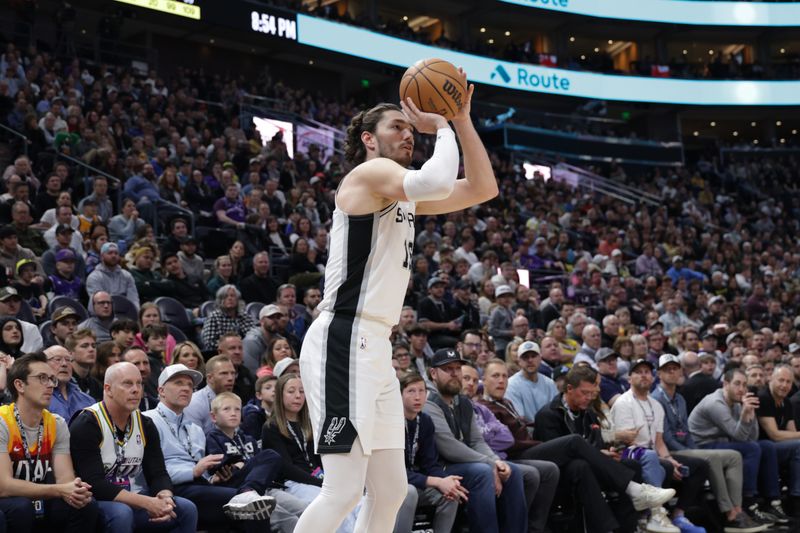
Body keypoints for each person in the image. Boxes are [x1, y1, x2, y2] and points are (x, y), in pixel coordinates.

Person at [295, 75, 498, 533]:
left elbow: (484, 187)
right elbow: (437, 177)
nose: (408, 133)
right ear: (369, 139)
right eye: (397, 127)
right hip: (343, 339)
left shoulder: (402, 193)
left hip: (377, 348)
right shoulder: (369, 176)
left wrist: (462, 120)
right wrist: (441, 127)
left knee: (390, 492)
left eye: (412, 129)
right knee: (343, 489)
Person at [534, 364, 678, 533]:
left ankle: (627, 528)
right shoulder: (548, 415)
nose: (589, 398)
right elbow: (555, 456)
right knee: (580, 465)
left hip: (588, 467)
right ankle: (610, 524)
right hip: (560, 474)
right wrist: (597, 456)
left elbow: (596, 444)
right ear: (570, 389)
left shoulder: (588, 412)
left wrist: (606, 455)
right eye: (584, 393)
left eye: (591, 393)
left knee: (632, 465)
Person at [68, 362, 198, 532]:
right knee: (122, 513)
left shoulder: (146, 424)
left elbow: (158, 472)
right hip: (98, 502)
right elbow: (94, 484)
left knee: (185, 508)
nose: (136, 389)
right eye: (127, 383)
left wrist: (165, 497)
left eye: (139, 383)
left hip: (136, 498)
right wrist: (148, 503)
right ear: (108, 389)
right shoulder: (87, 423)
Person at [143, 364, 276, 530]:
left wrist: (213, 477)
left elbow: (202, 471)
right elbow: (152, 471)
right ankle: (245, 495)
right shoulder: (148, 421)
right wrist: (193, 472)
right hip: (173, 488)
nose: (186, 388)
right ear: (161, 391)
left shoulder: (195, 429)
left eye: (190, 385)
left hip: (203, 485)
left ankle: (248, 491)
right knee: (255, 508)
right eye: (178, 383)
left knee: (269, 456)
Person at [653, 354, 764, 532]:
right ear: (659, 374)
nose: (672, 372)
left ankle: (738, 508)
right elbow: (666, 438)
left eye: (675, 368)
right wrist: (694, 452)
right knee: (711, 458)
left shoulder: (680, 399)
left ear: (681, 371)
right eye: (667, 369)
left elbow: (686, 432)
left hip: (689, 447)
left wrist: (750, 415)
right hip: (668, 451)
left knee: (735, 456)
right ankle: (730, 514)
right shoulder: (656, 399)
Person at [423, 348, 527, 533]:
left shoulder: (462, 401)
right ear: (433, 373)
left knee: (513, 471)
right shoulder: (428, 401)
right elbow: (449, 447)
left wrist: (496, 461)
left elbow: (477, 440)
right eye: (448, 369)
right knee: (482, 472)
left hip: (462, 463)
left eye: (457, 368)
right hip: (438, 467)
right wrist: (489, 463)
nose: (454, 373)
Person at [0, 353, 101, 532]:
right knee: (21, 508)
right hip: (8, 499)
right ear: (20, 385)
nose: (50, 386)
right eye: (42, 378)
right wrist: (61, 489)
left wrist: (75, 491)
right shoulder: (2, 422)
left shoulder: (56, 423)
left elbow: (65, 478)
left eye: (52, 380)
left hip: (39, 495)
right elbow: (4, 486)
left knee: (85, 504)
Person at [610, 359, 709, 533]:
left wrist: (670, 459)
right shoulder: (624, 403)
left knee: (697, 465)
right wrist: (662, 459)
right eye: (638, 372)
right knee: (655, 460)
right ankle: (655, 513)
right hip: (626, 452)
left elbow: (659, 441)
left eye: (647, 372)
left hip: (650, 452)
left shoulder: (656, 405)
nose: (643, 375)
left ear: (653, 377)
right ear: (629, 378)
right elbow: (625, 441)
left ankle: (678, 515)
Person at [689, 368, 790, 525]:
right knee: (752, 449)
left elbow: (752, 437)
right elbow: (741, 438)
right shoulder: (715, 403)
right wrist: (744, 416)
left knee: (767, 446)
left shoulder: (736, 402)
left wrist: (751, 415)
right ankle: (749, 502)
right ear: (726, 384)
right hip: (702, 446)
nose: (742, 389)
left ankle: (773, 502)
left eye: (744, 385)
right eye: (737, 384)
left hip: (723, 443)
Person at [262, 373, 362, 532]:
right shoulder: (271, 427)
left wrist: (333, 479)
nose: (297, 396)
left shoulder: (310, 423)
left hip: (318, 479)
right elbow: (285, 468)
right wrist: (320, 483)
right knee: (334, 506)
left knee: (358, 502)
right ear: (280, 395)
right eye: (291, 391)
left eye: (302, 392)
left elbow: (321, 459)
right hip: (292, 484)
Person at [393, 372, 462, 533]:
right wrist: (436, 482)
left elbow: (430, 464)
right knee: (409, 493)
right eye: (411, 391)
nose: (417, 397)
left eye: (422, 391)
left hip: (413, 480)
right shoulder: (390, 422)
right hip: (389, 483)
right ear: (400, 394)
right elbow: (395, 473)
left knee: (451, 494)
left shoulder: (425, 421)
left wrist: (446, 481)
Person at [755, 364, 800, 516]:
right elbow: (775, 434)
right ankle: (796, 497)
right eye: (781, 380)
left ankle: (796, 495)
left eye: (788, 382)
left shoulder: (786, 401)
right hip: (762, 447)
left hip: (777, 448)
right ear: (771, 379)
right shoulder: (764, 398)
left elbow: (792, 432)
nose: (784, 385)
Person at [504, 341, 558, 422]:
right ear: (519, 361)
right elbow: (519, 420)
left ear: (540, 358)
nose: (530, 360)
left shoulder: (549, 383)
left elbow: (557, 412)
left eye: (533, 356)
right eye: (525, 357)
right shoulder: (511, 385)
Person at [184, 355, 237, 434]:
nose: (230, 378)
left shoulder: (234, 400)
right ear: (210, 378)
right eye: (224, 373)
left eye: (233, 373)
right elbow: (194, 442)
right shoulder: (194, 403)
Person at [44, 345, 93, 423]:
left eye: (68, 360)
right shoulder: (38, 398)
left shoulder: (87, 400)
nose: (64, 364)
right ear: (44, 365)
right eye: (58, 359)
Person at [200, 285, 257, 352]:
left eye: (232, 296)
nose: (230, 298)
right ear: (220, 301)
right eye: (226, 296)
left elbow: (254, 336)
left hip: (245, 351)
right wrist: (229, 347)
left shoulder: (244, 316)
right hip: (222, 355)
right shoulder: (214, 317)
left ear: (238, 300)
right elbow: (209, 343)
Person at [85, 242, 140, 309]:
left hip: (125, 315)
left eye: (116, 253)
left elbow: (134, 300)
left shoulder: (127, 276)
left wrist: (135, 315)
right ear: (102, 257)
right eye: (110, 253)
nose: (113, 255)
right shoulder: (94, 277)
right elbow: (98, 304)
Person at [243, 304, 283, 375]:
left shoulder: (281, 339)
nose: (275, 320)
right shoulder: (251, 341)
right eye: (271, 317)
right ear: (261, 321)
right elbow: (251, 371)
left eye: (278, 317)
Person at [66, 329, 103, 401]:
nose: (91, 349)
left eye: (93, 346)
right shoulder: (64, 382)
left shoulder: (96, 385)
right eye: (85, 346)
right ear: (70, 353)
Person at [242, 374, 276, 440]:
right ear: (259, 395)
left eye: (277, 387)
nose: (274, 390)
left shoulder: (283, 414)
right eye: (268, 388)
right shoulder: (252, 416)